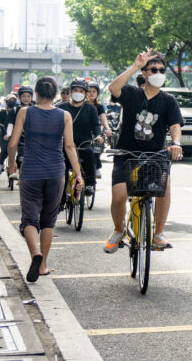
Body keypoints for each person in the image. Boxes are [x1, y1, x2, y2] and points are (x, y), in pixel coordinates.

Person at [106, 50, 183, 253]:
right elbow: (113, 88)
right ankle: (117, 230)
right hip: (126, 155)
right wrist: (135, 66)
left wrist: (176, 142)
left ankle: (158, 234)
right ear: (145, 73)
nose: (158, 72)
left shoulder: (168, 100)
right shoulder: (132, 94)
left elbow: (175, 125)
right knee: (119, 196)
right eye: (153, 69)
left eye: (161, 70)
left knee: (164, 190)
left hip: (155, 157)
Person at [7, 77, 83, 282]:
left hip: (31, 172)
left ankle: (35, 254)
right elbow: (69, 146)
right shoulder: (64, 115)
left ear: (36, 94)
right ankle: (43, 266)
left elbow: (13, 142)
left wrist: (11, 163)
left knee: (29, 219)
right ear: (56, 94)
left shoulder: (25, 112)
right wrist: (78, 174)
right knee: (48, 220)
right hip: (56, 173)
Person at [58, 79, 103, 200]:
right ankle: (60, 194)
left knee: (89, 154)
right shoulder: (60, 108)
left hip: (84, 143)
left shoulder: (90, 109)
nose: (78, 93)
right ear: (71, 92)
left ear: (86, 93)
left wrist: (99, 136)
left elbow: (96, 125)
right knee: (62, 165)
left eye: (81, 91)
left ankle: (89, 184)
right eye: (75, 90)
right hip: (64, 144)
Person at [86, 81, 111, 179]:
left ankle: (96, 166)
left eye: (94, 91)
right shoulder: (80, 104)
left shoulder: (99, 106)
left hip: (95, 132)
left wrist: (108, 128)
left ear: (97, 94)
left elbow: (103, 119)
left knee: (97, 145)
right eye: (89, 91)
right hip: (82, 131)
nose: (91, 93)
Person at [0, 94, 21, 175]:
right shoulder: (2, 112)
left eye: (14, 99)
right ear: (6, 102)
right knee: (5, 150)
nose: (12, 101)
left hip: (17, 134)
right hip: (4, 135)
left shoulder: (18, 111)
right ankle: (1, 164)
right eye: (10, 100)